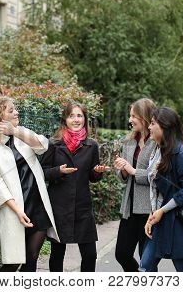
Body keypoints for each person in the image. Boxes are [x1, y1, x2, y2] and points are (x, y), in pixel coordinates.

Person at [0, 96, 59, 272]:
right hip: (15, 210)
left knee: (31, 257)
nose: (16, 112)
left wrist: (15, 131)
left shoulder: (21, 133)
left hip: (38, 206)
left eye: (15, 109)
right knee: (13, 263)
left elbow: (43, 145)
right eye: (11, 110)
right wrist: (18, 211)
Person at [139, 107, 183, 272]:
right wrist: (154, 213)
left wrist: (162, 210)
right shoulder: (159, 151)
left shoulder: (180, 153)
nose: (149, 127)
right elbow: (158, 189)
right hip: (162, 220)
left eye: (153, 123)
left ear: (165, 126)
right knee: (145, 267)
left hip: (178, 224)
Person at [40, 103, 108, 272]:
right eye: (72, 116)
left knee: (90, 254)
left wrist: (97, 172)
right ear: (65, 119)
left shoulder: (91, 145)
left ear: (84, 119)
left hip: (82, 206)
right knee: (57, 253)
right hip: (59, 206)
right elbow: (42, 172)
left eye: (79, 116)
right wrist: (58, 171)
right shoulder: (54, 143)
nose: (76, 119)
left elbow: (93, 177)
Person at [113, 98, 156, 272]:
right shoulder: (129, 141)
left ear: (144, 117)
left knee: (147, 260)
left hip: (149, 209)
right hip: (129, 208)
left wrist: (132, 171)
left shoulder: (157, 143)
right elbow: (124, 177)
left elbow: (158, 176)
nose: (130, 120)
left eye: (133, 116)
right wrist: (122, 170)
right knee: (121, 254)